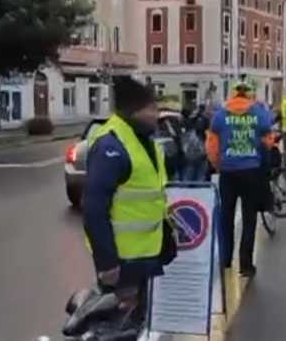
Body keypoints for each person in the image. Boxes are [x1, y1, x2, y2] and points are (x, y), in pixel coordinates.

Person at [83, 77, 176, 329]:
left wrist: (166, 238)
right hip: (122, 262)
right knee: (120, 328)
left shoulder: (144, 141)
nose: (157, 115)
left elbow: (152, 197)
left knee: (137, 325)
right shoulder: (111, 145)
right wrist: (107, 263)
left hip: (144, 255)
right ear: (135, 111)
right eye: (152, 109)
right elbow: (93, 208)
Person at [206, 81, 274, 277]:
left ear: (234, 94)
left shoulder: (221, 114)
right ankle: (245, 265)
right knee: (249, 218)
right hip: (251, 171)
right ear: (249, 95)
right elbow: (267, 140)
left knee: (226, 217)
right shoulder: (259, 112)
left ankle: (225, 260)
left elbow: (212, 145)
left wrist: (218, 165)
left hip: (228, 172)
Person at [181, 104, 210, 182]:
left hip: (190, 152)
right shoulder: (206, 120)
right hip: (202, 150)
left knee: (189, 174)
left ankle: (186, 190)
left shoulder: (191, 120)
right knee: (200, 175)